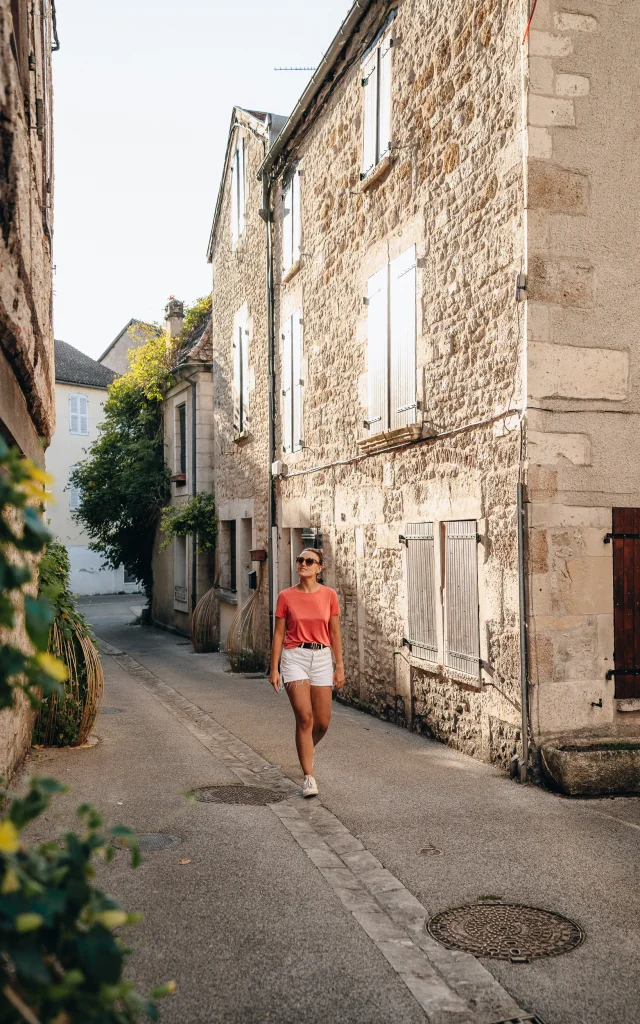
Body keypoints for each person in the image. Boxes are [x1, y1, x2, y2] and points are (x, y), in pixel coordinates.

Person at [269, 548, 344, 797]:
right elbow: (279, 634)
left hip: (322, 658)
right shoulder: (286, 596)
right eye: (300, 560)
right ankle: (309, 777)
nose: (303, 563)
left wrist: (339, 666)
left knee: (322, 722)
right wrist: (274, 668)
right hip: (295, 658)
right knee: (305, 718)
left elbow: (334, 634)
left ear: (319, 568)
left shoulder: (329, 595)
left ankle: (305, 750)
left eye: (309, 561)